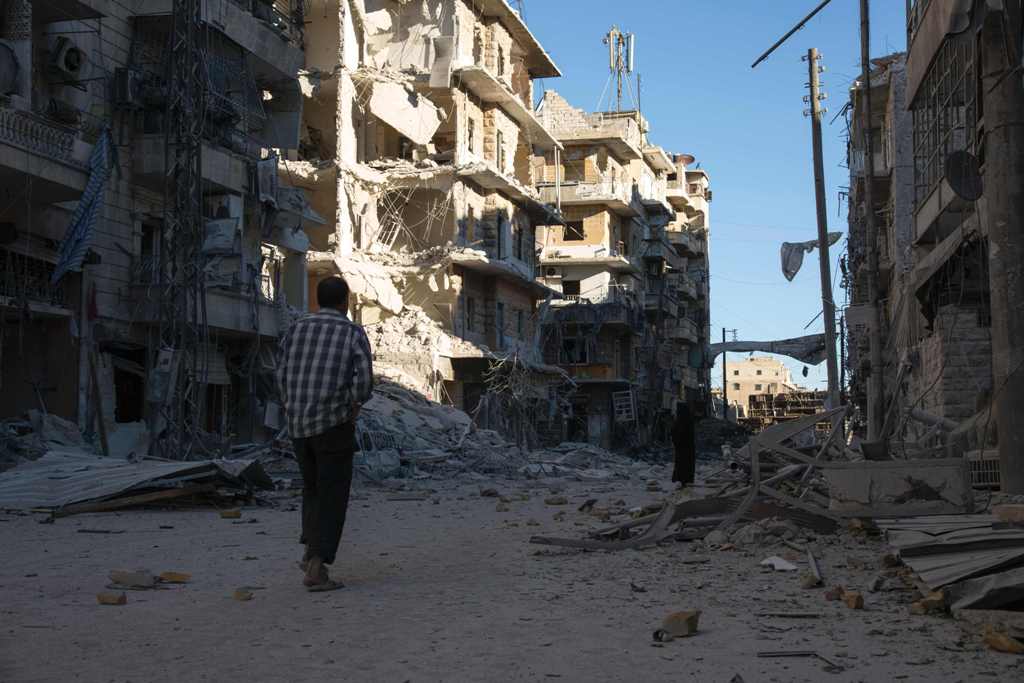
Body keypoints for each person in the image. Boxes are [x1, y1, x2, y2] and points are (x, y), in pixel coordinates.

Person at [278, 276, 373, 591]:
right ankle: (317, 568)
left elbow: (280, 372)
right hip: (333, 425)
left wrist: (292, 404)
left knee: (312, 489)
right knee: (332, 495)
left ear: (317, 300)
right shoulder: (351, 332)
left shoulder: (296, 329)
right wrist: (353, 404)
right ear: (345, 301)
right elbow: (363, 382)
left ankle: (309, 552)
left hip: (298, 427)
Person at [671, 402, 696, 486]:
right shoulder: (688, 420)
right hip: (687, 449)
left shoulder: (681, 422)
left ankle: (682, 481)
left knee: (682, 465)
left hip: (682, 448)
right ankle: (686, 481)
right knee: (686, 465)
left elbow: (678, 434)